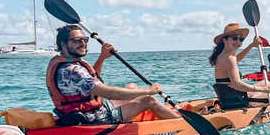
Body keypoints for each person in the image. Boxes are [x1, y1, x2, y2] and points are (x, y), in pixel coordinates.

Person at [46, 25, 179, 126]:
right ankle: (183, 124)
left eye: (85, 39)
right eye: (76, 40)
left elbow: (92, 79)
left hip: (90, 110)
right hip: (94, 118)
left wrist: (102, 57)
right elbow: (108, 93)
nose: (83, 43)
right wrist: (149, 91)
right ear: (63, 44)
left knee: (131, 87)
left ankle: (157, 114)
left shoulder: (68, 62)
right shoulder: (72, 70)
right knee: (148, 100)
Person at [210, 23, 270, 110]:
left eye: (241, 39)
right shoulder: (230, 59)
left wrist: (251, 45)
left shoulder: (221, 57)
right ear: (225, 40)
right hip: (241, 102)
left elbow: (236, 59)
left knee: (265, 82)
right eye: (234, 38)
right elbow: (237, 84)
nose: (238, 42)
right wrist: (262, 90)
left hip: (231, 100)